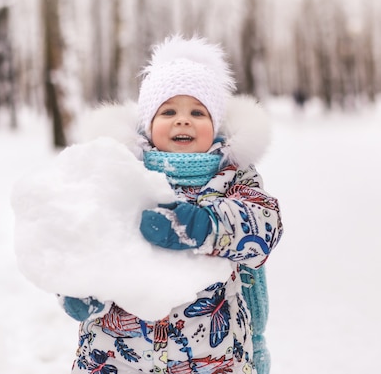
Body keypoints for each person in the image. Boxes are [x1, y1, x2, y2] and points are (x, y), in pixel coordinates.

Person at [58, 35, 283, 374]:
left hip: (212, 357)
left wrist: (206, 225)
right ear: (147, 124)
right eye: (168, 111)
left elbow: (266, 226)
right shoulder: (118, 173)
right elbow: (83, 237)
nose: (183, 120)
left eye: (197, 111)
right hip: (117, 357)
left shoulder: (232, 177)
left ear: (215, 124)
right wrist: (80, 287)